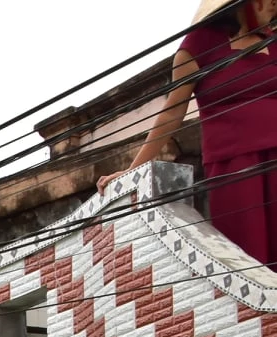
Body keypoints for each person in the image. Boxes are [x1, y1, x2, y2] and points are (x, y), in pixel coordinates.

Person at [106, 0, 277, 262]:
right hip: (233, 167)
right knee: (249, 260)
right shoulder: (199, 44)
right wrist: (132, 171)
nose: (274, 5)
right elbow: (172, 112)